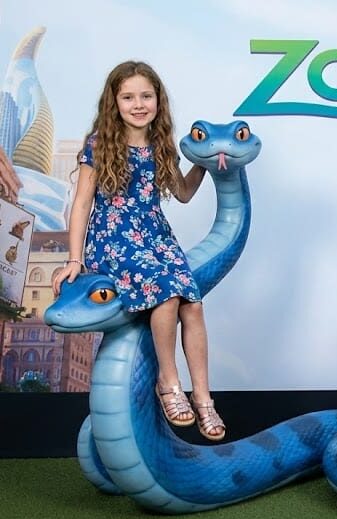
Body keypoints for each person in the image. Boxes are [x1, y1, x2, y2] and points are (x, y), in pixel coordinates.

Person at [52, 61, 224, 442]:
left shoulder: (162, 145)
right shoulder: (99, 144)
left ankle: (203, 397)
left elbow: (182, 193)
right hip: (114, 238)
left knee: (193, 304)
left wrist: (204, 163)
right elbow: (81, 204)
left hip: (156, 236)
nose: (138, 104)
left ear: (158, 101)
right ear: (114, 102)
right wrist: (74, 259)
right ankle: (169, 382)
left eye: (146, 96)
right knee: (166, 293)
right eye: (128, 97)